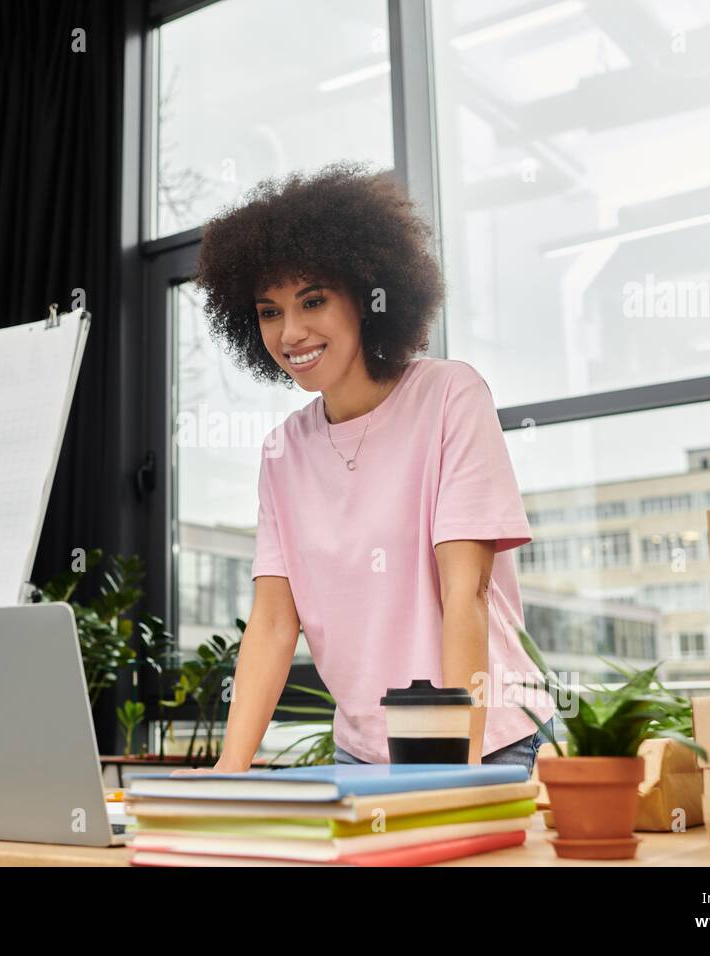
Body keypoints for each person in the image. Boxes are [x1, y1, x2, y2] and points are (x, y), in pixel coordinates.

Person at [182, 161, 556, 775]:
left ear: (368, 293)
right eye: (269, 311)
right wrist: (229, 770)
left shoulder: (449, 396)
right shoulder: (282, 451)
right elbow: (275, 624)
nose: (291, 331)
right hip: (360, 754)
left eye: (313, 300)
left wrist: (454, 772)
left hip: (488, 743)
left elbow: (468, 592)